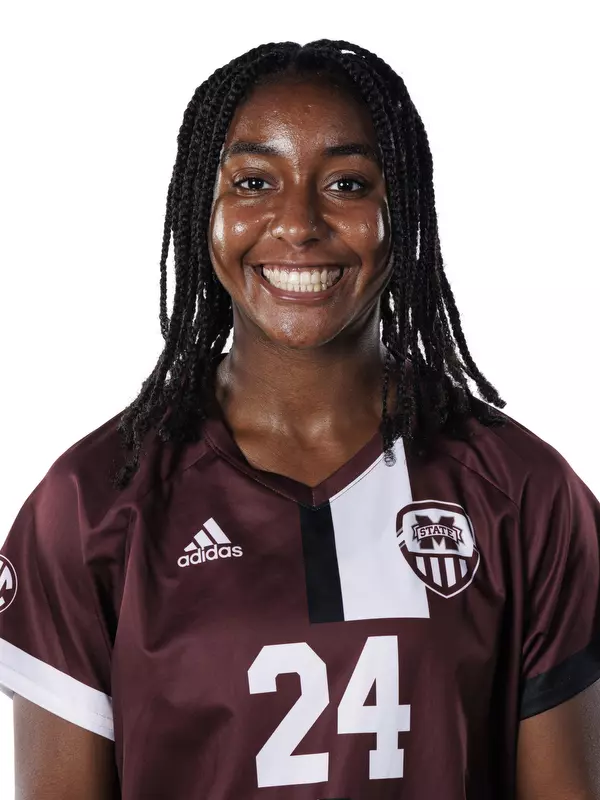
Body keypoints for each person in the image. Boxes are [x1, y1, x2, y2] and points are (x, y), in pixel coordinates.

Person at [0, 38, 598, 800]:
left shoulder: (522, 492)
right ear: (201, 208)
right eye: (254, 181)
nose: (298, 223)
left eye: (347, 183)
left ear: (402, 207)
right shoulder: (91, 505)